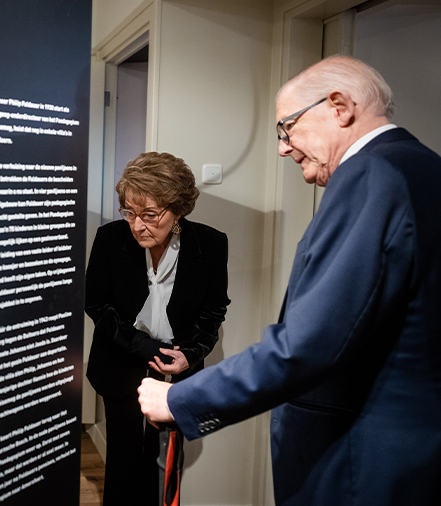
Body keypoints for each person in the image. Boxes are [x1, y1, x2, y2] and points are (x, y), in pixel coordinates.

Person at [139, 55, 441, 505]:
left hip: (359, 464)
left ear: (339, 106)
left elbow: (309, 341)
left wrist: (180, 401)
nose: (283, 147)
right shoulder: (423, 168)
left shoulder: (371, 175)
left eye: (287, 127)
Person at [85, 151, 229, 506]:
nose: (137, 226)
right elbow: (96, 304)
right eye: (130, 213)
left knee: (163, 463)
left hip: (174, 372)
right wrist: (139, 345)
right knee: (123, 461)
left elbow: (214, 309)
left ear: (177, 210)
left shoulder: (209, 244)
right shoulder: (110, 239)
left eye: (149, 215)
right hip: (120, 364)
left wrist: (190, 355)